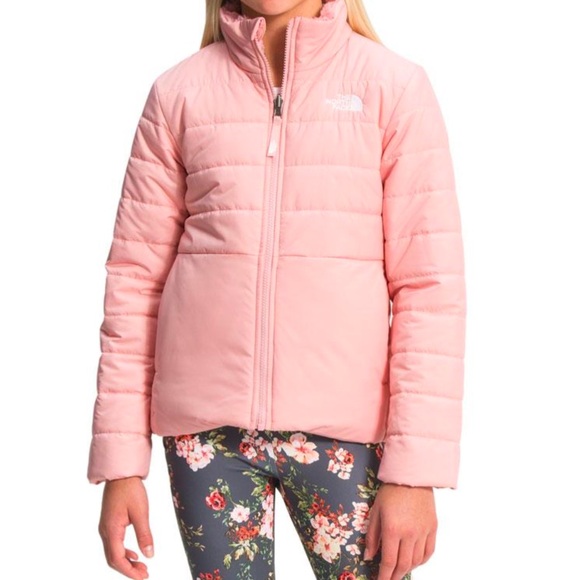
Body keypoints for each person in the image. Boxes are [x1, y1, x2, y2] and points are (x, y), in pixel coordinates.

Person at [87, 0, 466, 579]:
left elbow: (429, 291)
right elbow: (135, 282)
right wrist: (120, 464)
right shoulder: (179, 93)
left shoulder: (391, 88)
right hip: (204, 439)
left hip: (347, 437)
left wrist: (416, 473)